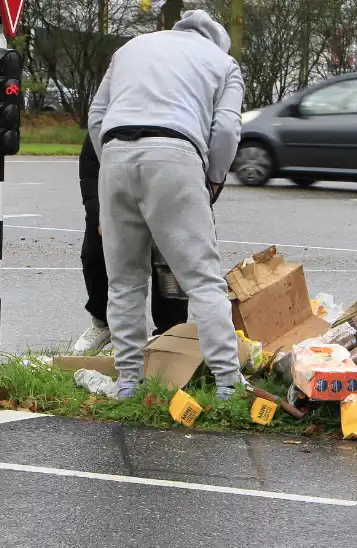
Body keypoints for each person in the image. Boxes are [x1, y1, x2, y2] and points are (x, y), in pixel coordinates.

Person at [87, 10, 245, 400]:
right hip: (175, 154)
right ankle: (228, 385)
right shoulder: (224, 64)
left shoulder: (130, 48)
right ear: (218, 42)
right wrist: (213, 178)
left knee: (124, 282)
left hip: (115, 153)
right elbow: (225, 129)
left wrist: (110, 161)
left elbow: (96, 116)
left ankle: (129, 383)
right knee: (203, 279)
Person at [72, 133, 189, 355]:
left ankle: (169, 332)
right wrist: (98, 214)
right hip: (117, 195)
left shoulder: (176, 115)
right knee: (94, 254)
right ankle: (102, 323)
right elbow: (90, 167)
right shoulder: (108, 117)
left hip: (168, 193)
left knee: (170, 263)